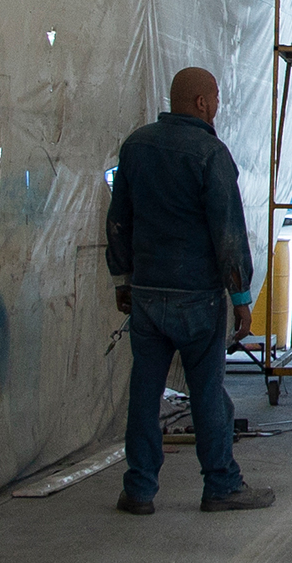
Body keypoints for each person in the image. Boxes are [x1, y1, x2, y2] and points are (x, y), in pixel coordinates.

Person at [106, 67, 274, 514]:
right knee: (207, 391)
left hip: (145, 293)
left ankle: (139, 489)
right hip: (196, 296)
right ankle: (221, 484)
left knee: (145, 391)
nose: (217, 105)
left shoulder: (136, 146)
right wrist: (240, 298)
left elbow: (119, 220)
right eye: (215, 98)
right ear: (201, 102)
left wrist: (124, 279)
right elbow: (228, 232)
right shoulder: (210, 153)